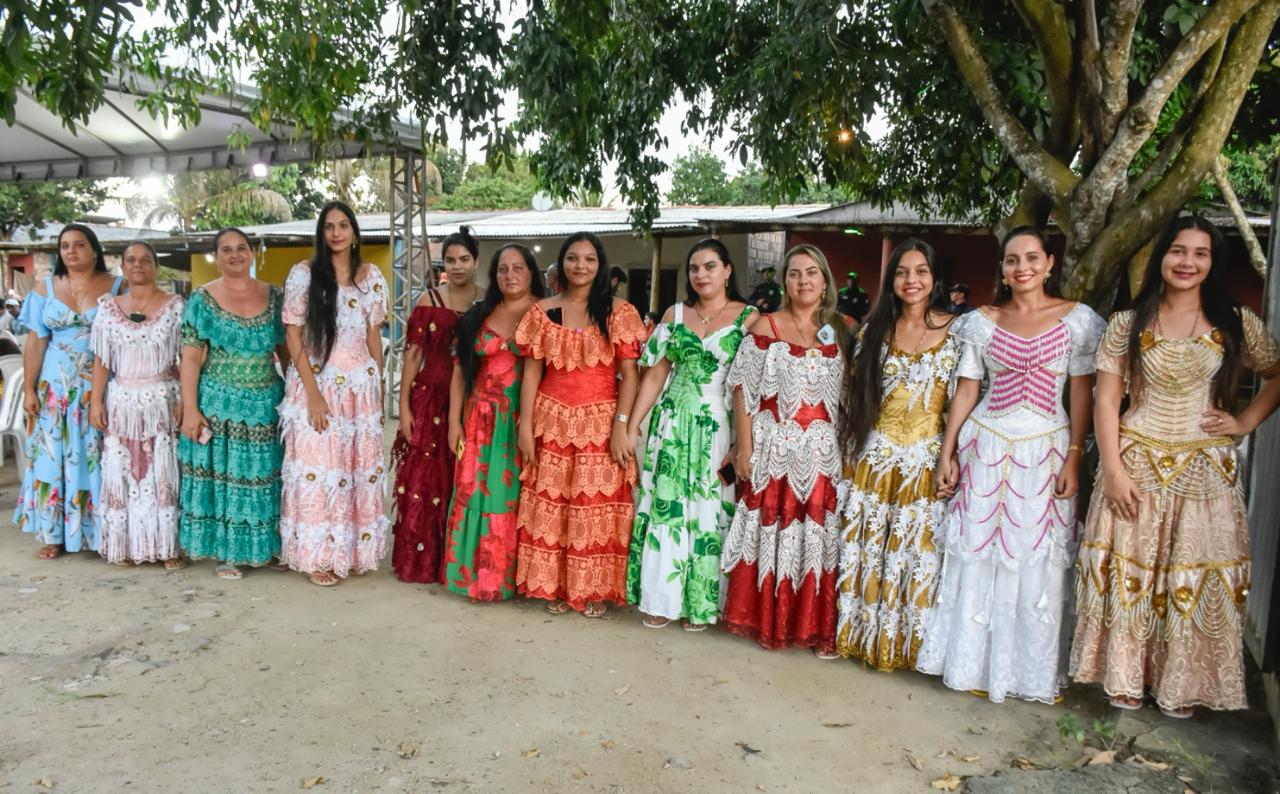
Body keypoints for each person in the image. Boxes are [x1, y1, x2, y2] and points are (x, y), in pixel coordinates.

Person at [1071, 216, 1280, 718]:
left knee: (1188, 576)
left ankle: (1179, 685)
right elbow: (1106, 402)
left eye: (1200, 253)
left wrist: (1244, 421)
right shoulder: (1127, 323)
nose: (1187, 262)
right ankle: (1126, 678)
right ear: (1161, 257)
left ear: (1213, 263)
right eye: (1178, 251)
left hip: (1205, 474)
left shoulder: (1236, 322)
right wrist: (1113, 471)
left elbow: (1275, 373)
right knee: (1133, 572)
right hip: (1135, 465)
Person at [920, 227, 1106, 704]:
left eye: (1031, 258)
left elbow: (1081, 392)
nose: (1022, 268)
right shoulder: (982, 322)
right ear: (1002, 269)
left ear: (1049, 264)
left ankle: (1027, 674)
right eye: (1011, 260)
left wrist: (1075, 456)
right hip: (985, 447)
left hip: (1046, 451)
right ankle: (972, 665)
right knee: (977, 554)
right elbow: (967, 389)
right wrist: (947, 453)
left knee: (1039, 559)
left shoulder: (1078, 321)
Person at [835, 238, 958, 670]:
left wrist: (952, 455)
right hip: (876, 458)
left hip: (927, 460)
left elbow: (962, 401)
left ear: (935, 278)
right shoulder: (871, 333)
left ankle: (911, 648)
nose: (912, 280)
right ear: (891, 280)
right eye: (902, 272)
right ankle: (863, 637)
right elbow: (854, 398)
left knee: (917, 553)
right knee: (871, 550)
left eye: (921, 271)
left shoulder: (959, 332)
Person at [722, 244, 848, 656]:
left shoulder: (842, 330)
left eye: (811, 273)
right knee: (773, 533)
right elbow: (743, 390)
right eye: (794, 273)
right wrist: (744, 447)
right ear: (784, 282)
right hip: (774, 447)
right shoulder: (766, 326)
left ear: (825, 281)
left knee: (816, 537)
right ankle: (768, 623)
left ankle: (814, 627)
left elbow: (849, 396)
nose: (803, 281)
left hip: (822, 453)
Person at [514, 232, 646, 618]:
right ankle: (558, 586)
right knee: (555, 505)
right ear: (562, 262)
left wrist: (622, 425)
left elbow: (630, 375)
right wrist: (525, 428)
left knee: (594, 504)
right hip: (550, 420)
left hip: (601, 423)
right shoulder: (544, 311)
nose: (580, 266)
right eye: (573, 258)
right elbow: (532, 372)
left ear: (600, 265)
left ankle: (592, 589)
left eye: (589, 259)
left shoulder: (618, 312)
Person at [625, 238, 754, 630]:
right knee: (667, 506)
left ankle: (700, 603)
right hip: (672, 424)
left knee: (709, 509)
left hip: (719, 425)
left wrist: (742, 441)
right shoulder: (675, 314)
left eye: (710, 266)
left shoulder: (750, 319)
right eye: (694, 268)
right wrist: (632, 425)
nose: (701, 274)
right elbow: (655, 375)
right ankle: (661, 598)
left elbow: (751, 386)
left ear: (728, 270)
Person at [279, 202, 389, 586]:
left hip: (360, 389)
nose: (337, 233)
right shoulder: (304, 275)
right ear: (321, 233)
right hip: (317, 383)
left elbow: (374, 335)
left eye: (344, 225)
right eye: (329, 226)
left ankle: (353, 552)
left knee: (356, 469)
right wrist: (312, 394)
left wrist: (377, 388)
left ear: (354, 232)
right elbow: (293, 335)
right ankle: (320, 557)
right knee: (321, 469)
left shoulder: (371, 276)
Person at [178, 228, 288, 579]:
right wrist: (190, 409)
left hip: (265, 405)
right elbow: (190, 356)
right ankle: (229, 553)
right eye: (226, 249)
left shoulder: (275, 296)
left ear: (252, 252)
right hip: (219, 406)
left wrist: (297, 397)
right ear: (216, 257)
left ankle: (266, 549)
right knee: (225, 481)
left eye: (241, 248)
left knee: (266, 478)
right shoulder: (202, 299)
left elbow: (287, 350)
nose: (235, 254)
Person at [442, 244, 547, 601]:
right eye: (503, 269)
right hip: (477, 418)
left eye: (518, 268)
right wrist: (454, 422)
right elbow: (460, 371)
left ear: (531, 273)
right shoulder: (479, 313)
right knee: (471, 493)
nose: (510, 275)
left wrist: (528, 425)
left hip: (519, 420)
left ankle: (503, 579)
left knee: (508, 497)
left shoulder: (545, 313)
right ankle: (471, 577)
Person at [14, 224, 122, 559]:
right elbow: (36, 342)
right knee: (51, 455)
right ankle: (54, 534)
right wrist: (29, 389)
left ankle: (102, 533)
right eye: (64, 246)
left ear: (94, 249)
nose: (71, 251)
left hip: (99, 383)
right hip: (55, 386)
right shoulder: (45, 288)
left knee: (96, 454)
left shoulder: (117, 286)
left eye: (79, 244)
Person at [391, 226, 481, 583]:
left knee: (463, 475)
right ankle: (422, 561)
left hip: (475, 400)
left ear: (476, 262)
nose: (457, 267)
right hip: (430, 399)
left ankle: (457, 560)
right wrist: (404, 406)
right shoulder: (428, 300)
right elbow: (413, 356)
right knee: (426, 480)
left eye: (464, 259)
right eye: (450, 260)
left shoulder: (489, 302)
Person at [89, 241, 185, 569]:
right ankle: (127, 546)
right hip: (121, 401)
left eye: (145, 260)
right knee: (123, 471)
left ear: (155, 266)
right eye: (131, 260)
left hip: (163, 399)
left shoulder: (175, 306)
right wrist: (96, 401)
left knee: (162, 470)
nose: (138, 265)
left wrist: (186, 400)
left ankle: (168, 547)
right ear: (123, 267)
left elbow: (186, 357)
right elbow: (102, 359)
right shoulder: (108, 308)